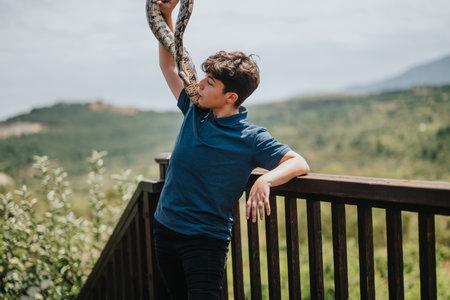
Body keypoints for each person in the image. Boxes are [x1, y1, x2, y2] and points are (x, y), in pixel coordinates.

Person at [152, 1, 310, 299]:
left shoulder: (250, 137)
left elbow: (297, 162)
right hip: (165, 228)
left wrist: (265, 180)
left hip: (204, 241)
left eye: (209, 83)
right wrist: (166, 15)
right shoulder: (194, 110)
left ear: (230, 97)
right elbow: (169, 65)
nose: (198, 84)